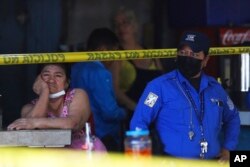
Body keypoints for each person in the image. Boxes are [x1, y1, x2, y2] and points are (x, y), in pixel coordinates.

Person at [130, 31, 241, 160]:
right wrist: (143, 158)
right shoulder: (158, 87)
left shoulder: (215, 88)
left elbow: (233, 116)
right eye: (183, 53)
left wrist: (228, 148)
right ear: (177, 55)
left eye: (194, 54)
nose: (188, 57)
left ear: (205, 60)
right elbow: (138, 122)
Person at [7, 63, 106, 151]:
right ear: (37, 80)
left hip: (83, 152)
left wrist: (35, 122)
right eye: (46, 75)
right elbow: (29, 128)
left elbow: (72, 123)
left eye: (58, 76)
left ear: (67, 83)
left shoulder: (78, 95)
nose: (51, 80)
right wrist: (44, 91)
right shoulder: (28, 107)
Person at [70, 27, 126, 152]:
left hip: (81, 135)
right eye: (115, 52)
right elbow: (109, 112)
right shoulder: (100, 73)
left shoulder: (76, 67)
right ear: (103, 50)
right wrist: (126, 112)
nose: (116, 58)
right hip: (104, 137)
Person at [111, 6, 163, 125]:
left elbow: (161, 85)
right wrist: (137, 109)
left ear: (134, 26)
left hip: (156, 114)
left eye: (125, 23)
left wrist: (150, 108)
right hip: (132, 116)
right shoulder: (117, 56)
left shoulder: (151, 53)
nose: (121, 28)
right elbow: (116, 91)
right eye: (117, 24)